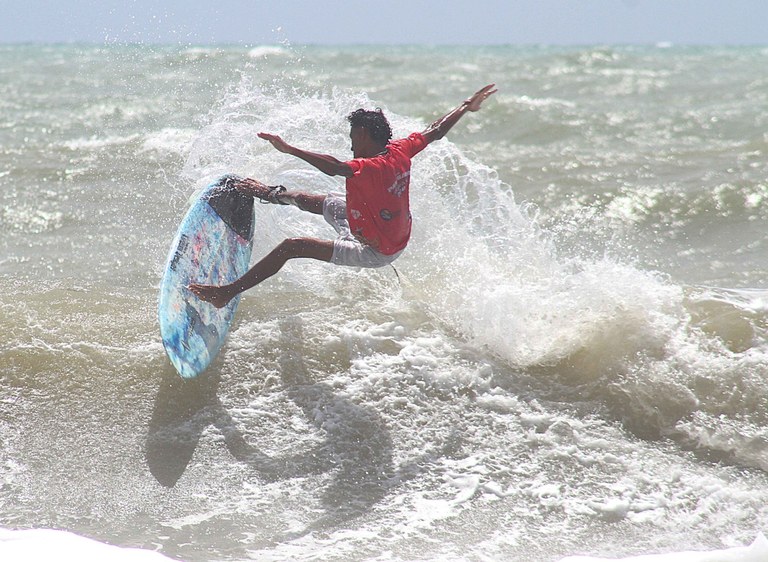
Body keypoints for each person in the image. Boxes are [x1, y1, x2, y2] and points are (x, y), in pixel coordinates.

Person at [189, 84, 497, 308]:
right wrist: (466, 106)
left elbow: (335, 167)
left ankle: (226, 293)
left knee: (292, 247)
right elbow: (435, 130)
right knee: (315, 201)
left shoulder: (368, 166)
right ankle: (266, 193)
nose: (350, 143)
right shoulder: (401, 150)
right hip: (375, 225)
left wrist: (289, 148)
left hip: (375, 250)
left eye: (352, 137)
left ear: (362, 135)